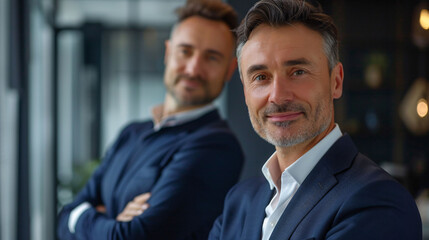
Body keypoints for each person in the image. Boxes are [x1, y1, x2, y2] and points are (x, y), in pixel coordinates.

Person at [208, 0, 422, 239]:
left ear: (336, 81)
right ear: (245, 91)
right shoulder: (239, 202)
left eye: (298, 72)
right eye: (260, 77)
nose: (277, 96)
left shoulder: (379, 201)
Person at [57, 0, 244, 239]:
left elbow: (136, 236)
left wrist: (82, 217)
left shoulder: (217, 147)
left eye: (212, 57)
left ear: (230, 70)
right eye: (185, 51)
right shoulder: (131, 133)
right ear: (168, 52)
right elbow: (63, 219)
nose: (194, 68)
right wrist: (104, 223)